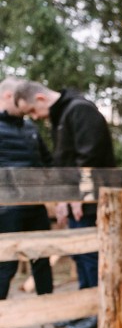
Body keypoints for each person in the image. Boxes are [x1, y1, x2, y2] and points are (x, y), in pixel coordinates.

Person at [15, 81, 116, 328]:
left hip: (90, 201)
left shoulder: (80, 110)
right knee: (80, 256)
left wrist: (78, 196)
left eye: (31, 112)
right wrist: (62, 198)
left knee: (91, 256)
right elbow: (65, 162)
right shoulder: (62, 117)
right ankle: (84, 308)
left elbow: (89, 156)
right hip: (76, 201)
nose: (34, 118)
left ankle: (95, 309)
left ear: (39, 98)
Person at [0, 78, 54, 304]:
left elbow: (46, 161)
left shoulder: (30, 127)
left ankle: (49, 310)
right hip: (7, 208)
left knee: (41, 257)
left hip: (35, 204)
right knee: (6, 263)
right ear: (6, 97)